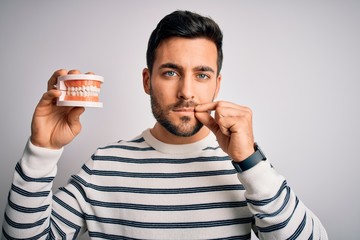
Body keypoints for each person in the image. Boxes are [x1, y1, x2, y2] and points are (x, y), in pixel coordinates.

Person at [2, 10, 328, 239]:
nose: (186, 91)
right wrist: (41, 151)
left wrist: (250, 162)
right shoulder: (104, 166)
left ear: (216, 84)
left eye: (202, 75)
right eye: (170, 72)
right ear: (147, 80)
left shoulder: (248, 171)